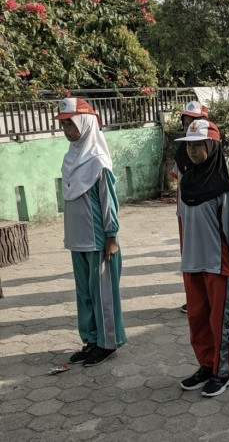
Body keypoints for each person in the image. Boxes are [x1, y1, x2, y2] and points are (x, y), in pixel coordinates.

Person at [175, 120, 229, 397]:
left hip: (220, 265)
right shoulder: (185, 182)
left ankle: (224, 371)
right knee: (198, 319)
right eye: (189, 145)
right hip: (192, 262)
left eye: (198, 145)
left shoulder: (224, 187)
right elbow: (183, 222)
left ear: (212, 146)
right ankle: (206, 364)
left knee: (221, 322)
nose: (192, 151)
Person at [55, 97, 127, 367]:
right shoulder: (70, 157)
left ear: (85, 124)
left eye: (70, 124)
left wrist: (112, 237)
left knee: (102, 293)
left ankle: (107, 342)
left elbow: (109, 202)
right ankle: (90, 339)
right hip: (77, 238)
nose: (66, 131)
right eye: (63, 125)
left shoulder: (98, 161)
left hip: (98, 239)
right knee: (84, 292)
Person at [170, 101, 209, 314]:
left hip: (205, 214)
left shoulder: (210, 153)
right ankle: (193, 298)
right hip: (185, 212)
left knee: (204, 256)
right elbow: (178, 178)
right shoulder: (182, 151)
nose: (188, 122)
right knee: (188, 257)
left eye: (193, 119)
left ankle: (207, 297)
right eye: (186, 119)